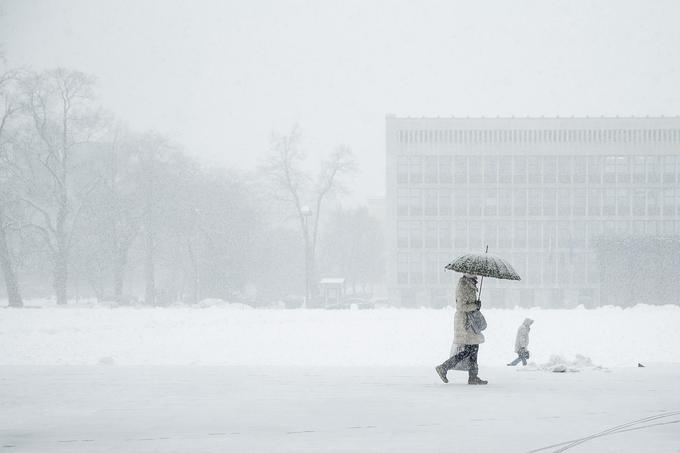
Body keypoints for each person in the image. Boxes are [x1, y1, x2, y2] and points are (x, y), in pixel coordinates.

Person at [435, 274, 488, 385]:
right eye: (474, 275)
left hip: (470, 321)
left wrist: (476, 305)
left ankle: (472, 376)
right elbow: (461, 306)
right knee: (470, 349)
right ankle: (444, 367)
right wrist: (475, 306)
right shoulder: (463, 286)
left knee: (473, 347)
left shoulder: (470, 285)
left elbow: (469, 304)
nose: (477, 277)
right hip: (465, 322)